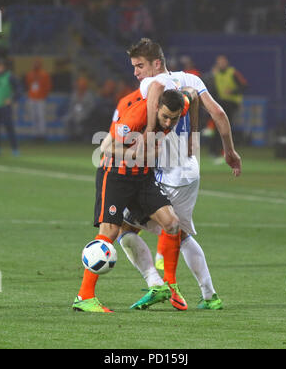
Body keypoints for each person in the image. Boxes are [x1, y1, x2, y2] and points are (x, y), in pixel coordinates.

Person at [117, 38, 241, 311]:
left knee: (125, 230)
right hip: (191, 170)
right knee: (182, 235)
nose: (136, 72)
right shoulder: (191, 80)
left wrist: (135, 149)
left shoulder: (151, 85)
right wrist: (229, 151)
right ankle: (209, 296)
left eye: (140, 66)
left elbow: (150, 126)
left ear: (156, 63)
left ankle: (159, 284)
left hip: (167, 172)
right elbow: (219, 113)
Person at [72, 88, 195, 313]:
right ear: (156, 107)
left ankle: (169, 285)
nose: (168, 123)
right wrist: (139, 154)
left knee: (172, 223)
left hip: (143, 177)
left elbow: (190, 95)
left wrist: (187, 91)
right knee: (109, 232)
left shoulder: (179, 105)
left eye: (174, 118)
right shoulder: (136, 117)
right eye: (165, 116)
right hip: (116, 175)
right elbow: (106, 147)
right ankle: (84, 296)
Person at [207, 54, 248, 160]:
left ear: (227, 62)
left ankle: (223, 152)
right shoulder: (216, 74)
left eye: (223, 62)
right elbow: (209, 85)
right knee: (218, 127)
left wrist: (232, 91)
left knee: (224, 127)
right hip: (221, 103)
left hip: (231, 103)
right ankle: (215, 151)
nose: (221, 64)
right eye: (219, 62)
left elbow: (244, 85)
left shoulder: (232, 72)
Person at [0, 58, 22, 156]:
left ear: (5, 67)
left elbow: (19, 90)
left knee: (9, 128)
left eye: (1, 66)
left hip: (5, 107)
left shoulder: (10, 76)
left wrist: (12, 99)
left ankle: (15, 149)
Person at [25, 58, 52, 141]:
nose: (35, 65)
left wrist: (44, 95)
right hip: (32, 97)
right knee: (33, 117)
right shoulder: (29, 74)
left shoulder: (44, 74)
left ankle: (42, 135)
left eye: (37, 63)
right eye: (34, 63)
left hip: (41, 98)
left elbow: (48, 86)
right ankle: (35, 134)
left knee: (41, 117)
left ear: (40, 64)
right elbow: (27, 85)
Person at [63, 76, 95, 141]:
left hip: (85, 113)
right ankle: (70, 137)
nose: (81, 86)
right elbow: (71, 106)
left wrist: (84, 112)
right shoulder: (74, 94)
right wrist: (72, 112)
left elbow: (92, 107)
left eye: (82, 85)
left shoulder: (89, 95)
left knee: (79, 118)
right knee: (67, 119)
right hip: (74, 113)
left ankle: (79, 137)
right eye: (79, 85)